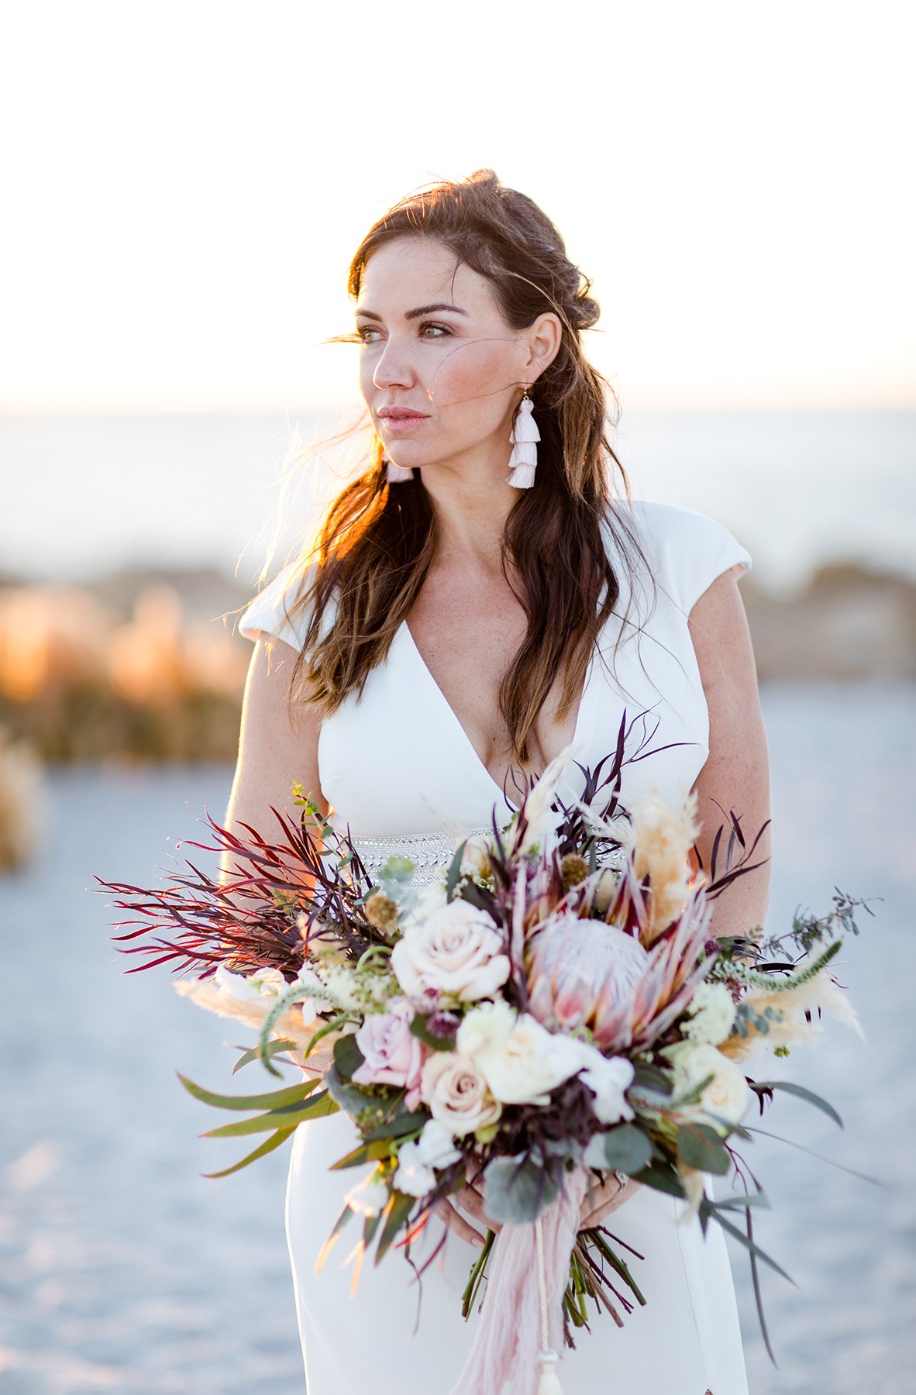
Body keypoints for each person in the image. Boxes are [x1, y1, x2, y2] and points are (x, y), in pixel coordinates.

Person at [226, 169, 770, 1395]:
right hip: (393, 1172)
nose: (387, 372)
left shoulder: (681, 570)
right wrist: (413, 1101)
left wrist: (668, 1092)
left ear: (536, 347)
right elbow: (254, 907)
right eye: (370, 333)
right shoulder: (314, 618)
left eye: (432, 328)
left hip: (639, 1141)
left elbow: (737, 855)